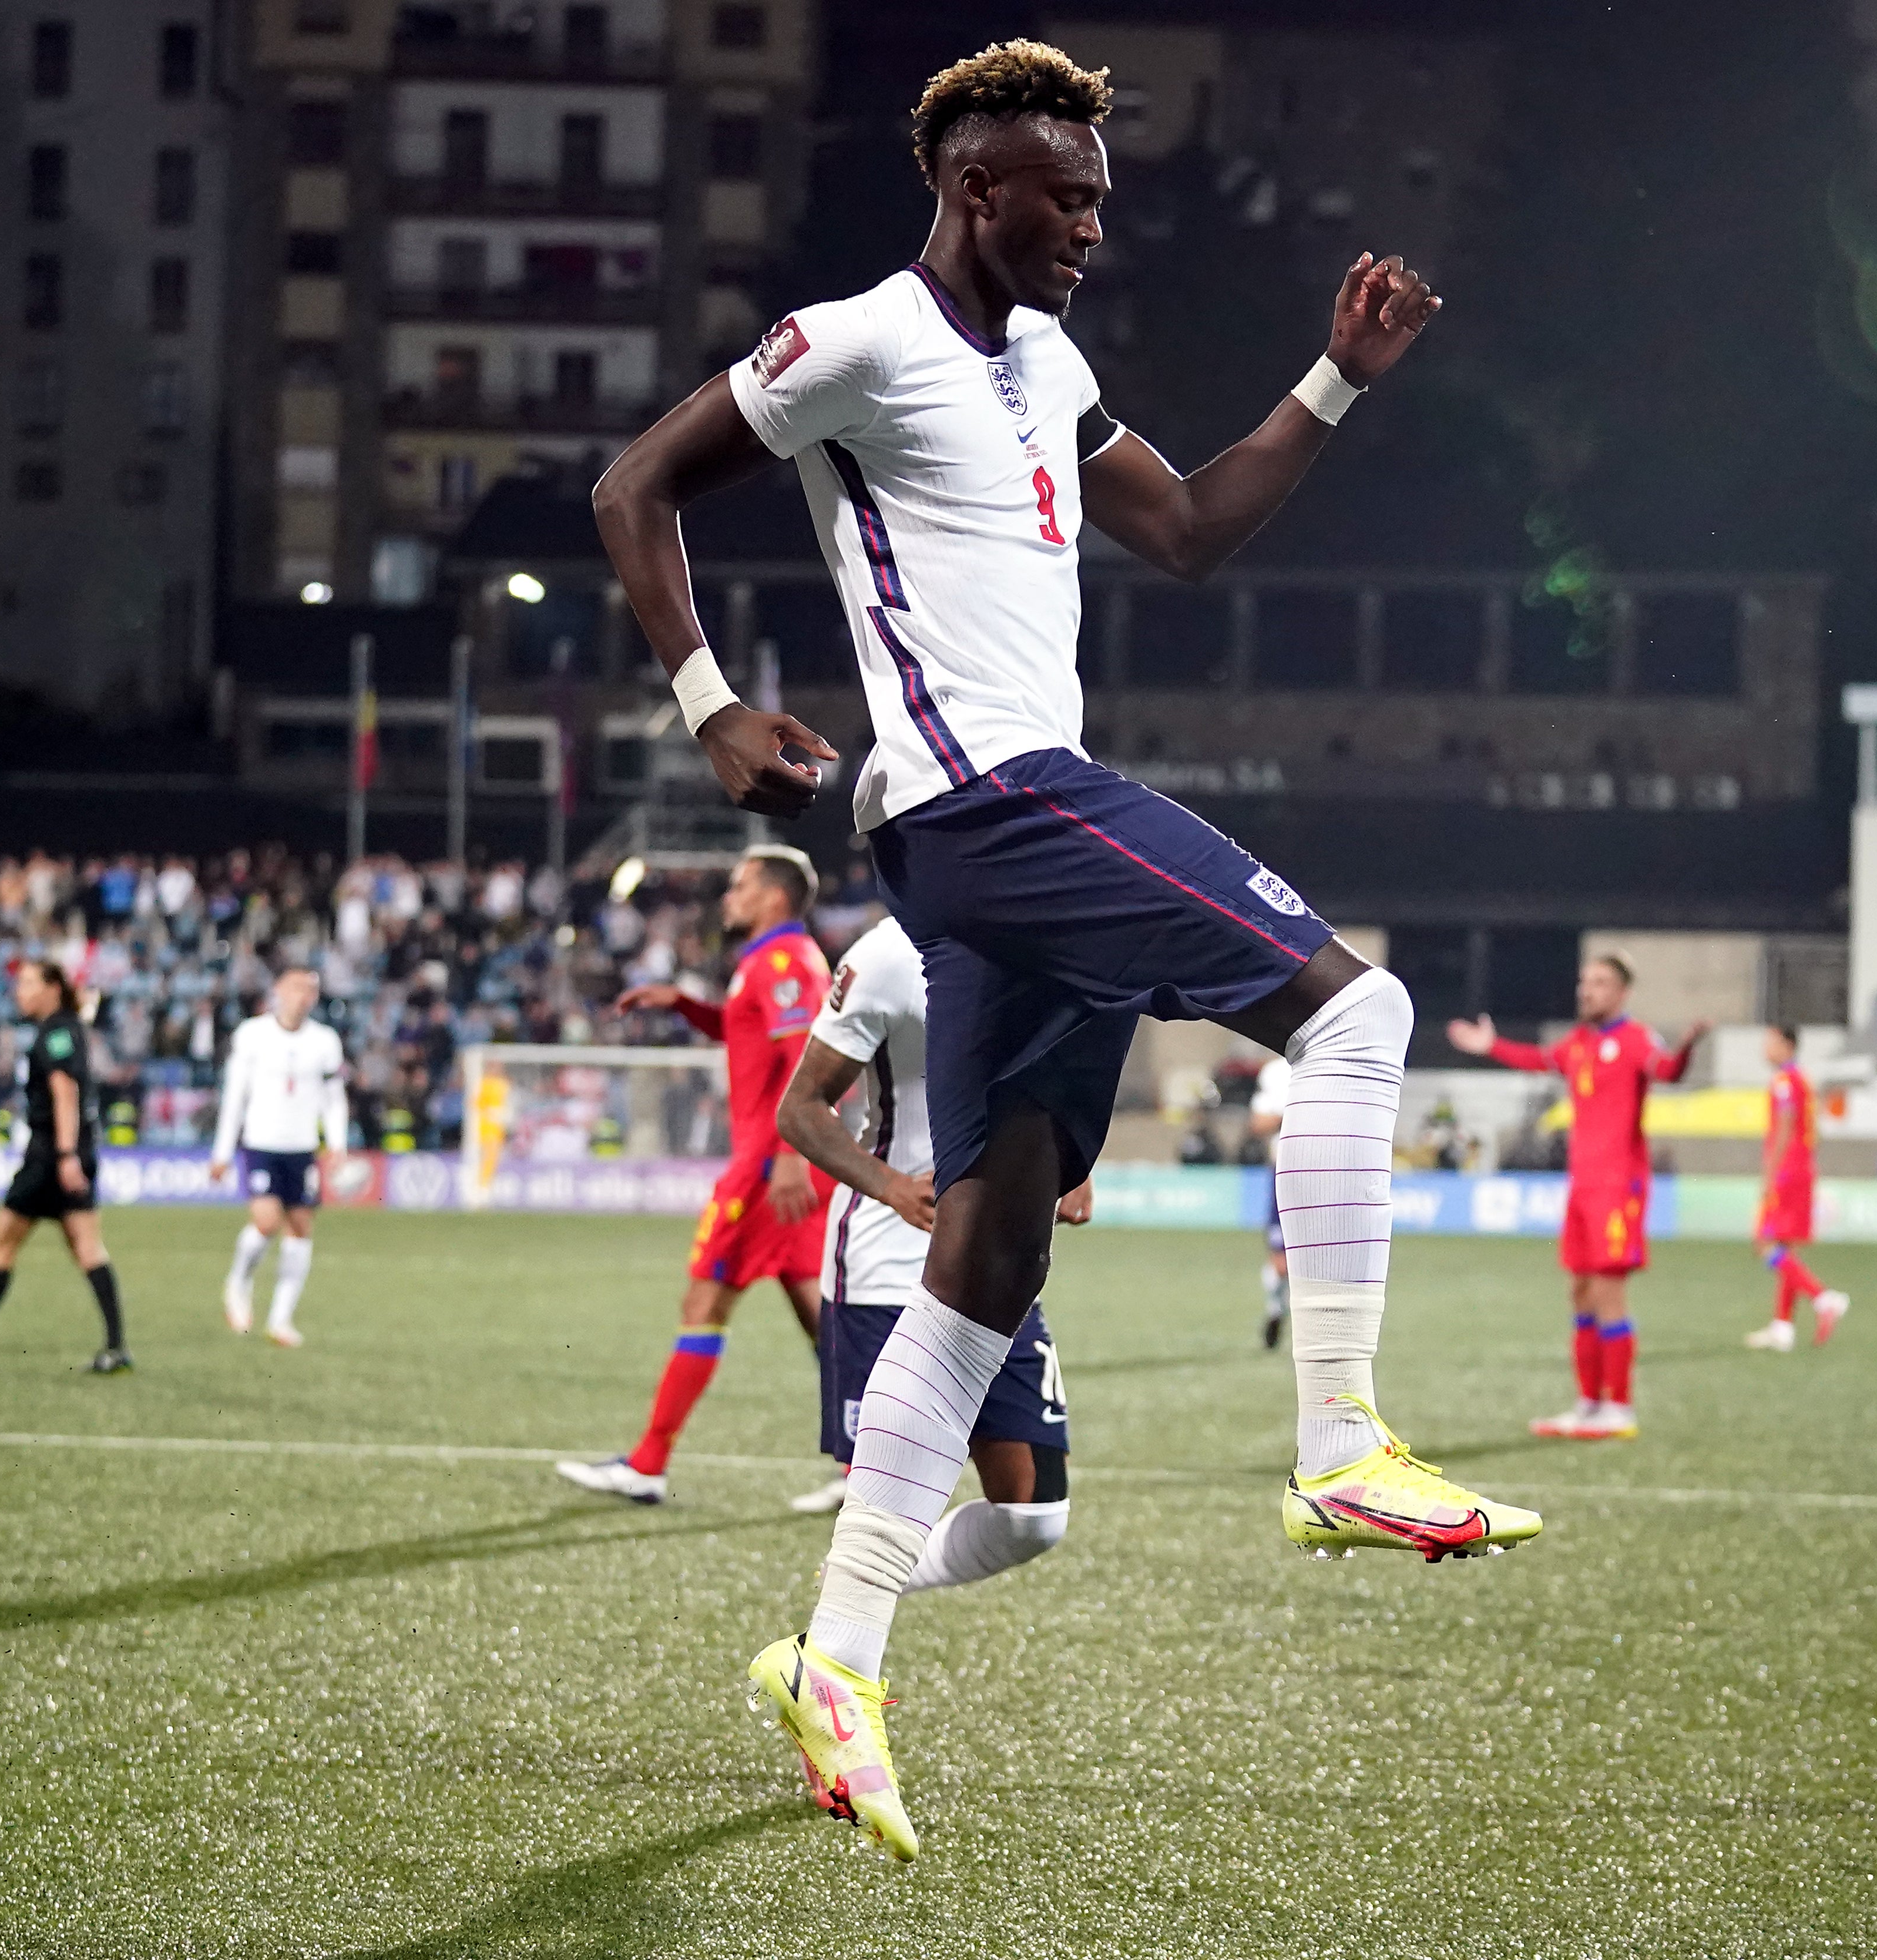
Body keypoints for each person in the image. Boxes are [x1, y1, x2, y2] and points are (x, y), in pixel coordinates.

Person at [587, 38, 1537, 1860]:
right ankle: (1339, 1442)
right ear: (974, 189)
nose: (1094, 224)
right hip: (989, 805)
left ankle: (838, 1656)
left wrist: (1339, 377)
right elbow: (637, 486)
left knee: (993, 1243)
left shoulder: (1052, 359)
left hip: (1003, 828)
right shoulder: (856, 339)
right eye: (1067, 195)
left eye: (1101, 194)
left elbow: (1184, 529)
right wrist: (712, 705)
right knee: (1364, 1010)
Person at [774, 917, 1087, 1630]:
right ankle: (834, 1678)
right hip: (886, 1265)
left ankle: (856, 1587)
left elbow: (1061, 1068)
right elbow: (800, 1109)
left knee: (1033, 1515)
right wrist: (889, 1185)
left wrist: (1076, 1161)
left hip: (999, 1264)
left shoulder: (1050, 935)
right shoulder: (888, 955)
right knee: (883, 1512)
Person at [558, 845, 833, 1504]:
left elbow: (808, 1055)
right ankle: (871, 1467)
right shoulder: (773, 964)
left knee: (704, 1304)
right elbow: (758, 1037)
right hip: (783, 1159)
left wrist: (791, 1154)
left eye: (740, 887)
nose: (728, 899)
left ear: (774, 898)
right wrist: (687, 1006)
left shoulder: (782, 962)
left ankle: (648, 1463)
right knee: (821, 1317)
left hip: (771, 1164)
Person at [1448, 953, 1708, 1440]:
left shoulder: (1635, 1040)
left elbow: (1668, 1070)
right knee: (1580, 1293)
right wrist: (1491, 1045)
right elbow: (1540, 1061)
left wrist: (1689, 1045)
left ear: (1621, 993)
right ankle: (1588, 1405)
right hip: (1582, 1187)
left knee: (1609, 1292)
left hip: (1618, 1187)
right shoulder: (1580, 1042)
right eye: (1584, 981)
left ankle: (1620, 1408)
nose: (1587, 990)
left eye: (1600, 983)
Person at [0, 958, 130, 1372]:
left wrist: (65, 1156)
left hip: (51, 1155)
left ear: (53, 988)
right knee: (88, 1249)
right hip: (74, 1151)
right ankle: (117, 1347)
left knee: (2, 1245)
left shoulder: (55, 1033)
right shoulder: (68, 1028)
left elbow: (64, 1094)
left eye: (29, 982)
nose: (20, 990)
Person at [208, 964, 350, 1348]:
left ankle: (280, 1319)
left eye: (309, 989)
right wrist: (222, 1151)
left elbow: (333, 1098)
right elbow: (235, 1096)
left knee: (301, 1227)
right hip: (262, 1143)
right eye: (296, 987)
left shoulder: (324, 1042)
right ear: (278, 991)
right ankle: (238, 1282)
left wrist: (336, 1143)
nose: (303, 995)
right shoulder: (252, 1035)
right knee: (267, 1221)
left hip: (302, 1146)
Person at [1742, 1025, 1848, 1352]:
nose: (1765, 1049)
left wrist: (1770, 1175)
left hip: (1787, 1171)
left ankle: (1824, 1298)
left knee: (1764, 1243)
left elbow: (1786, 1126)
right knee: (1787, 1249)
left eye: (1770, 1043)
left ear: (1787, 1045)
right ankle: (1782, 1328)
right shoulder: (1803, 1078)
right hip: (1803, 1169)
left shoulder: (1785, 1081)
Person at [1248, 1053, 1291, 1348]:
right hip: (1285, 1172)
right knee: (1282, 1262)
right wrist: (1300, 1114)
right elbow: (1259, 1124)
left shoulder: (1336, 1058)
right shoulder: (1277, 1072)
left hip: (1330, 1171)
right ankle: (1277, 1310)